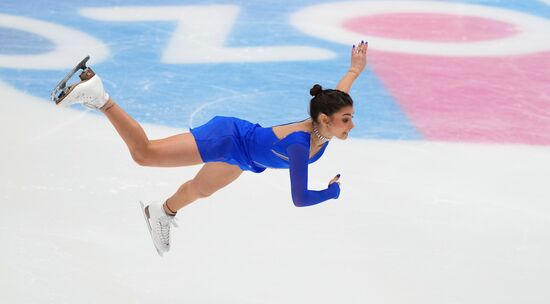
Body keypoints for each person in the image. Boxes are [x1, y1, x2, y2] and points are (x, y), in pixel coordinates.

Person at [54, 41, 368, 256]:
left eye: (351, 117)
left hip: (243, 158)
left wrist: (354, 69)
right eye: (346, 120)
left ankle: (162, 212)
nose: (351, 125)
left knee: (201, 189)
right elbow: (300, 199)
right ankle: (99, 96)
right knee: (144, 154)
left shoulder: (323, 121)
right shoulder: (300, 145)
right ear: (325, 120)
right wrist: (332, 192)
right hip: (228, 139)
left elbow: (340, 92)